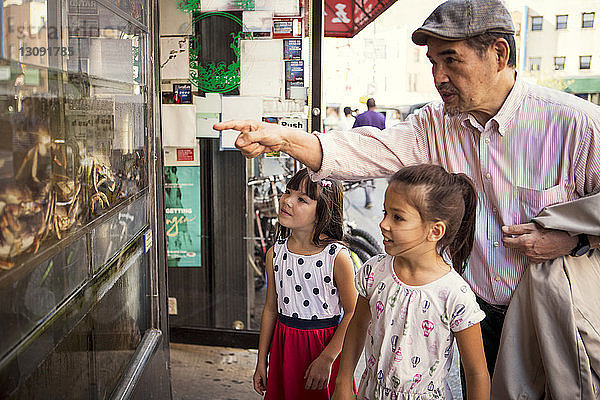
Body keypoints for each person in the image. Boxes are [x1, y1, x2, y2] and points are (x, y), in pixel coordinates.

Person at [214, 0, 600, 381]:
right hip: (475, 311)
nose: (438, 76)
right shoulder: (435, 123)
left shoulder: (575, 125)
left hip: (550, 316)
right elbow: (365, 150)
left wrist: (574, 240)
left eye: (451, 59)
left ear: (498, 54)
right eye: (433, 62)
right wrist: (283, 138)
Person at [332, 164, 489, 400]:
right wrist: (343, 381)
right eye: (385, 213)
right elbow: (357, 327)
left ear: (435, 231)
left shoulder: (455, 295)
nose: (383, 224)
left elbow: (477, 373)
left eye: (398, 217)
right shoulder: (374, 272)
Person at [253, 168, 358, 400]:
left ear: (322, 212)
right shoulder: (275, 254)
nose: (287, 201)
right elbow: (271, 309)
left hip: (323, 349)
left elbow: (353, 312)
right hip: (284, 349)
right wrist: (262, 360)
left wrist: (327, 358)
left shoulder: (336, 257)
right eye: (288, 192)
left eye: (302, 199)